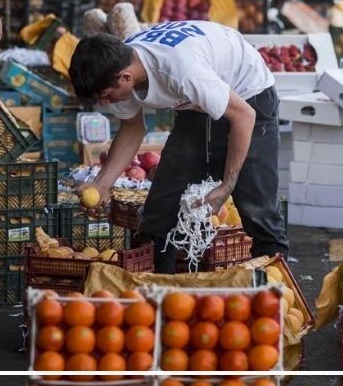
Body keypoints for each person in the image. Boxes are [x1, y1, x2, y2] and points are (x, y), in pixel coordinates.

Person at [68, 24, 289, 274]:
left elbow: (244, 116)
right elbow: (132, 127)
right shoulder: (117, 66)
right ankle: (159, 292)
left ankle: (276, 294)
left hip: (248, 96)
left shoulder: (181, 71)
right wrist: (102, 184)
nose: (105, 103)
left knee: (256, 207)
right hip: (196, 102)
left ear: (125, 77)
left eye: (106, 96)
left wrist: (226, 186)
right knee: (161, 210)